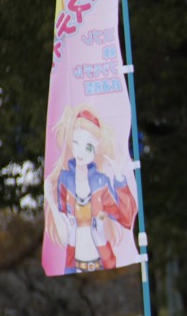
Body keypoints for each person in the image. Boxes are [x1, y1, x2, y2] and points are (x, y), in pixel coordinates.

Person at [44, 104, 138, 273]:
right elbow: (64, 236)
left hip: (102, 262)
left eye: (88, 147)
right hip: (74, 266)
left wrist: (119, 179)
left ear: (97, 149)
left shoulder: (101, 183)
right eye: (76, 144)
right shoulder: (65, 181)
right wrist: (50, 200)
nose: (81, 152)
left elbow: (126, 218)